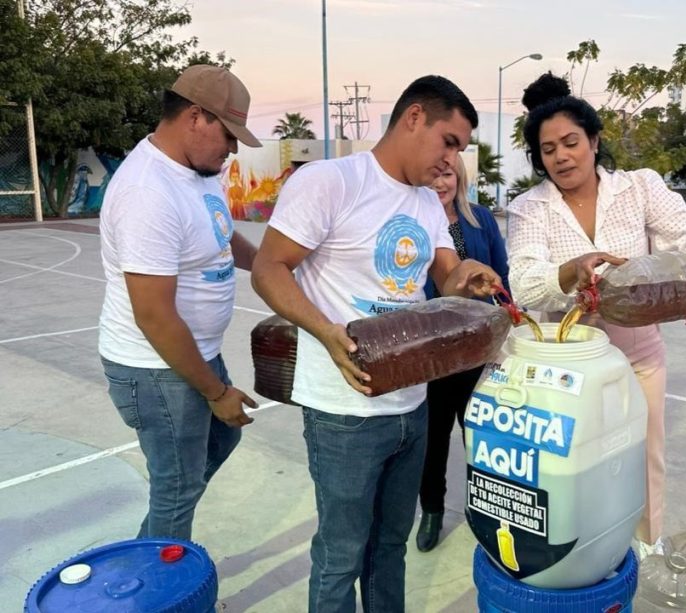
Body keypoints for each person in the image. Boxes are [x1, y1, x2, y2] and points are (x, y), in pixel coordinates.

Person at [250, 75, 502, 612]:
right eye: (449, 142)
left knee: (390, 547)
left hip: (412, 405)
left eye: (460, 150)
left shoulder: (427, 202)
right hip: (343, 410)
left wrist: (468, 277)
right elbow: (269, 269)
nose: (452, 161)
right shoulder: (331, 181)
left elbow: (446, 275)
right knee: (341, 554)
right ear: (414, 118)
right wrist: (326, 332)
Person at [506, 73, 686, 548]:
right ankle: (581, 551)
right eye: (548, 150)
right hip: (567, 365)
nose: (562, 156)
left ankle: (646, 550)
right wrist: (572, 271)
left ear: (594, 140)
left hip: (639, 355)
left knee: (646, 457)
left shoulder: (640, 188)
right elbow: (525, 284)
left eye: (571, 142)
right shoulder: (530, 208)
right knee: (573, 464)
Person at [98, 64, 262, 540]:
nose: (232, 149)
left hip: (194, 354)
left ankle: (152, 547)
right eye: (229, 135)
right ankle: (160, 591)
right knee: (176, 488)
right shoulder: (147, 191)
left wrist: (274, 263)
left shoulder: (198, 170)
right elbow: (153, 315)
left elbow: (221, 237)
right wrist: (216, 392)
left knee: (215, 445)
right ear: (195, 117)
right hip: (155, 368)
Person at [415, 154, 510, 553]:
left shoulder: (480, 220)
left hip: (478, 350)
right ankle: (432, 511)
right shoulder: (414, 224)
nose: (441, 182)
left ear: (460, 177)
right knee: (433, 441)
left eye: (448, 173)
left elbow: (502, 273)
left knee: (481, 439)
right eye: (434, 174)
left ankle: (484, 513)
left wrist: (509, 324)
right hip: (433, 352)